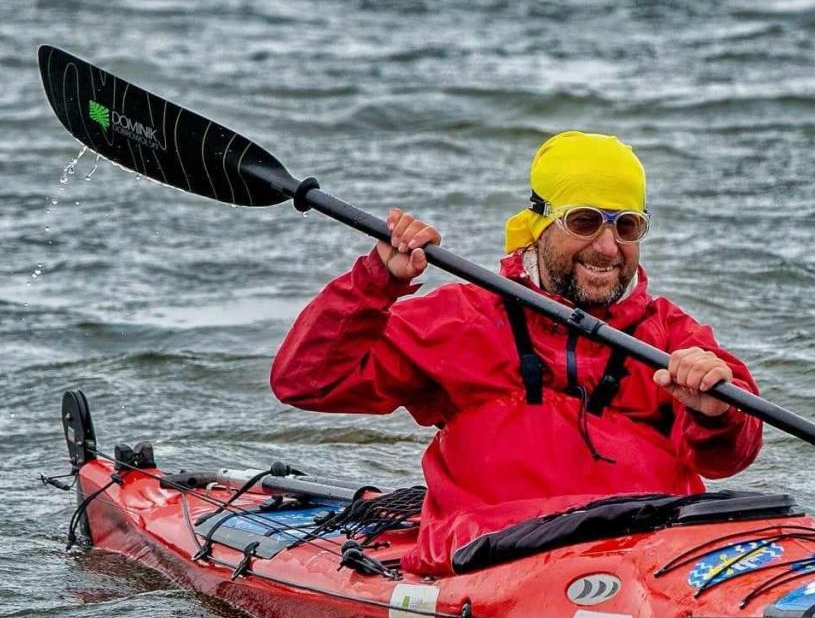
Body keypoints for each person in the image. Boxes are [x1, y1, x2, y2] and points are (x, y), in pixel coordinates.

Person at [271, 131, 762, 574]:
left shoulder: (673, 336)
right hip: (490, 560)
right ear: (538, 225)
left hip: (652, 559)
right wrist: (378, 280)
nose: (609, 248)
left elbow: (729, 458)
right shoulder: (460, 320)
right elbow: (307, 380)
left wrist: (719, 412)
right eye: (586, 222)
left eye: (628, 227)